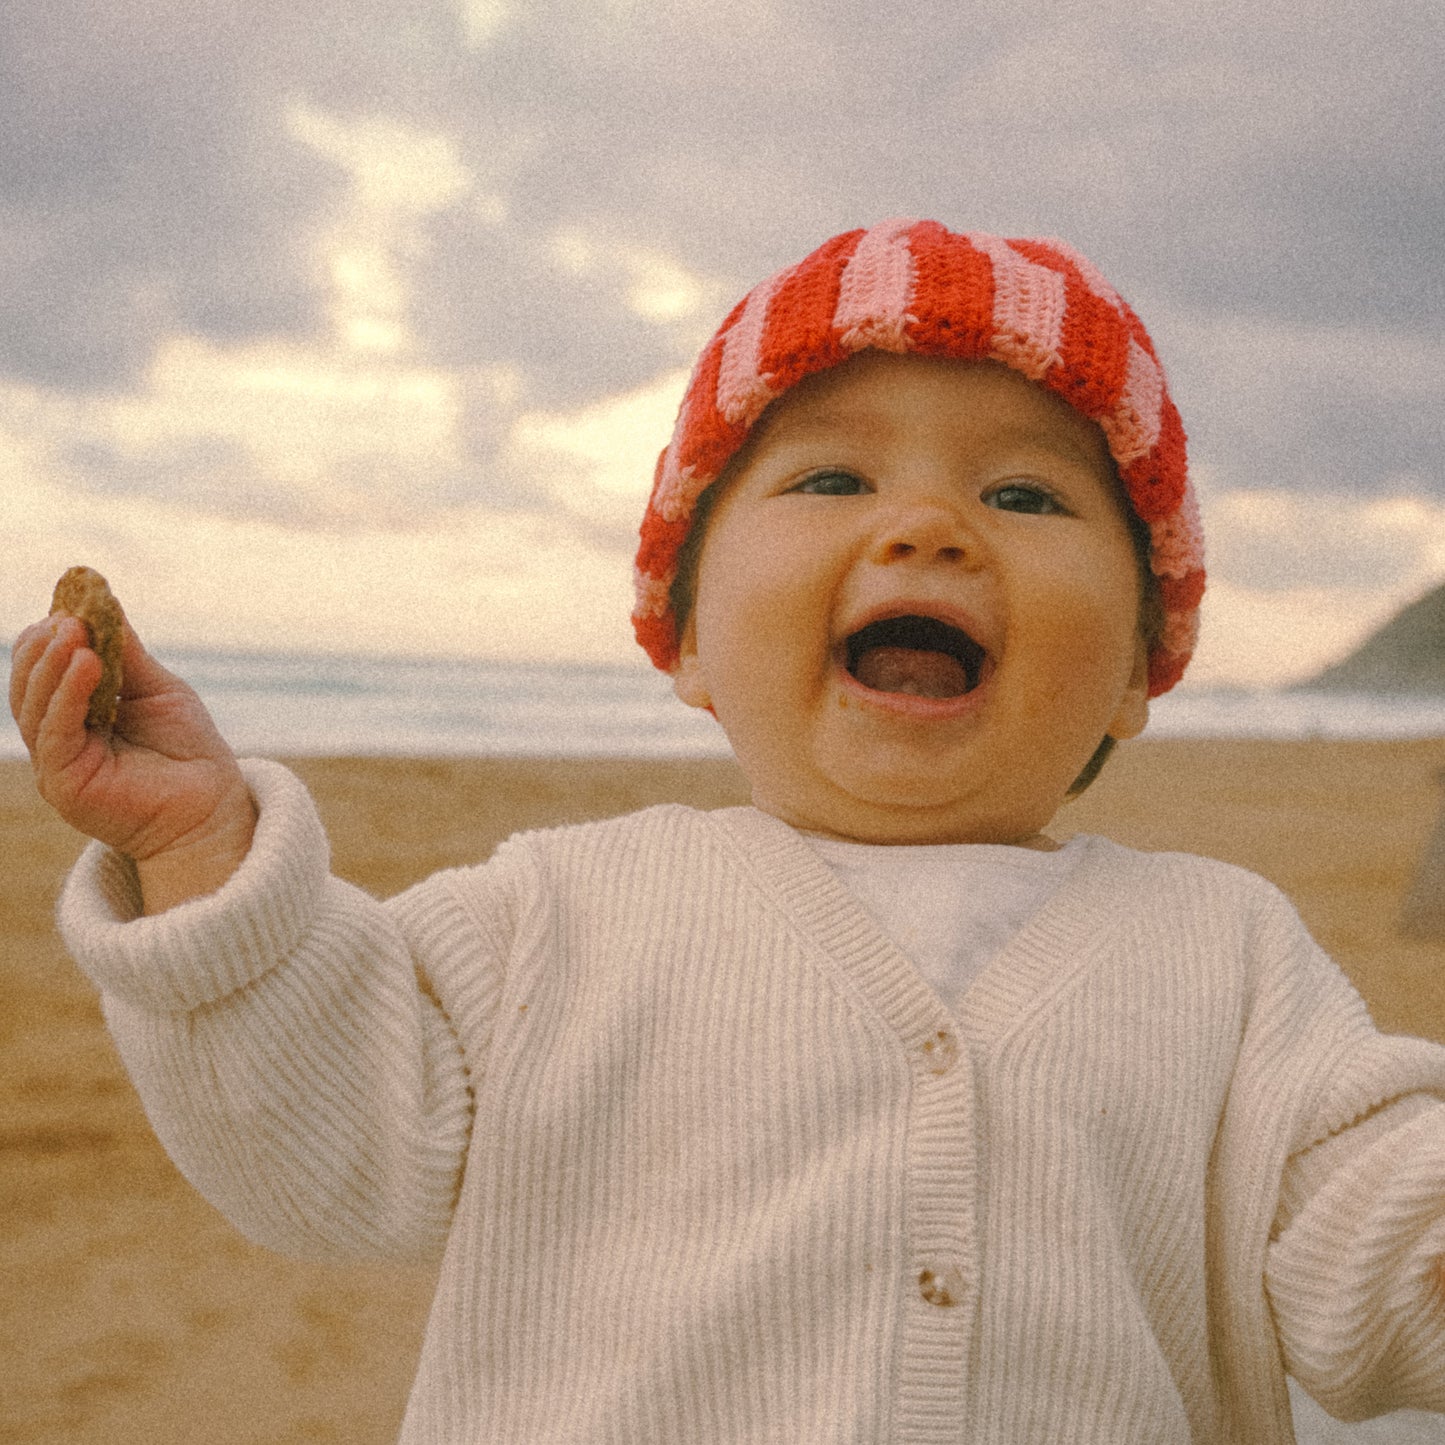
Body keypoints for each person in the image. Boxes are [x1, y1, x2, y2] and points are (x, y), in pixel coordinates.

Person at [11, 217, 1445, 1442]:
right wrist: (199, 844)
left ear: (1139, 661)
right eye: (831, 478)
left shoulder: (1228, 954)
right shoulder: (557, 913)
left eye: (1022, 491)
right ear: (687, 634)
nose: (929, 525)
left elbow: (1373, 1228)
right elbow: (319, 1135)